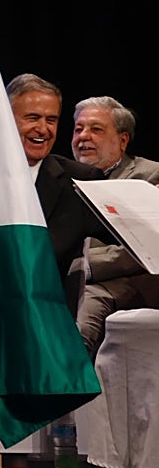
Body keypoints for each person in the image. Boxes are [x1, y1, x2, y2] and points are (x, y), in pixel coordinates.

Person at [5, 74, 110, 310]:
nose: (43, 129)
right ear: (5, 119)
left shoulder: (80, 180)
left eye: (51, 120)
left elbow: (124, 231)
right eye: (32, 118)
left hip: (46, 313)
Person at [69, 95, 159, 357]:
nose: (83, 137)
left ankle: (65, 388)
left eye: (96, 129)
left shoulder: (150, 176)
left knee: (81, 314)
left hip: (125, 280)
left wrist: (84, 264)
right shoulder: (61, 176)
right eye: (78, 129)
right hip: (69, 274)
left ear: (122, 140)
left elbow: (149, 244)